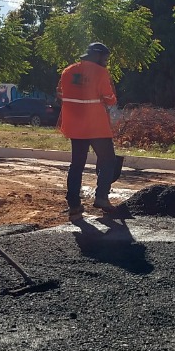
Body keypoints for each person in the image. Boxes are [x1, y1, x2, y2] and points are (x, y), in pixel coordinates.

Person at [58, 42, 121, 221]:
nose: (106, 62)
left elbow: (62, 94)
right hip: (96, 127)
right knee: (108, 160)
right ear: (97, 55)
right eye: (105, 58)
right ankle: (101, 197)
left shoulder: (67, 71)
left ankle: (74, 205)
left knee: (77, 165)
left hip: (75, 126)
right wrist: (110, 98)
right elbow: (109, 99)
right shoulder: (100, 72)